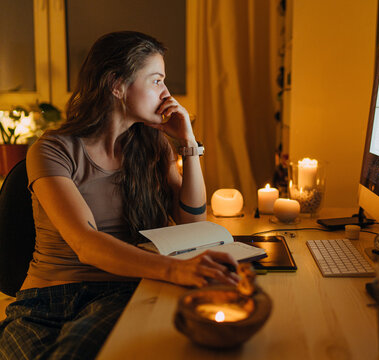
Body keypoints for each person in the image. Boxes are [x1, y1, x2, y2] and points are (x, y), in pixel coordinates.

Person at [0, 31, 238, 359]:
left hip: (118, 291)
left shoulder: (153, 147)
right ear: (116, 85)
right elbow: (85, 243)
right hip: (43, 301)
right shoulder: (53, 149)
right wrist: (174, 269)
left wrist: (189, 145)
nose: (167, 93)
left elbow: (193, 222)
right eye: (156, 81)